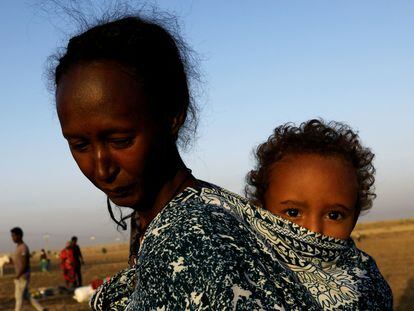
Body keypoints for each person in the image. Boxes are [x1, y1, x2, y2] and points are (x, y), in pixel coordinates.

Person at [52, 13, 391, 310]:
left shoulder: (184, 238)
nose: (101, 167)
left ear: (171, 116)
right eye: (79, 144)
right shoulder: (203, 212)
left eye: (121, 140)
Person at [245, 119, 393, 309]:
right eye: (293, 212)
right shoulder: (246, 273)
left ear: (354, 217)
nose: (313, 230)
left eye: (334, 215)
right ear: (261, 211)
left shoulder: (368, 280)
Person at [10, 227, 45, 311]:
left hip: (22, 276)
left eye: (14, 236)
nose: (12, 238)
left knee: (18, 298)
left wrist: (18, 275)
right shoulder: (18, 247)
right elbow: (19, 262)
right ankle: (41, 309)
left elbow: (25, 264)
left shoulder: (23, 248)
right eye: (12, 236)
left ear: (19, 236)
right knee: (26, 296)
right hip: (21, 275)